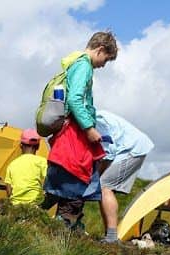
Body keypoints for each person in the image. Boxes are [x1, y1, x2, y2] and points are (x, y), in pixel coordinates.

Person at [43, 31, 118, 230]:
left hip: (69, 135)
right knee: (76, 179)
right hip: (76, 135)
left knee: (67, 182)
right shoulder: (83, 66)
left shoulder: (74, 63)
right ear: (100, 49)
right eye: (106, 59)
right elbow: (76, 99)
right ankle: (63, 229)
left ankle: (59, 224)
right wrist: (89, 128)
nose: (104, 65)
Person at [95, 110, 154, 243]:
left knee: (104, 187)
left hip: (132, 149)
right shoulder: (91, 115)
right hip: (130, 147)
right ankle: (109, 235)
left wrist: (98, 174)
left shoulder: (94, 121)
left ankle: (111, 237)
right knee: (102, 189)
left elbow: (109, 151)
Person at [3, 128, 48, 206]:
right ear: (38, 146)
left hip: (16, 207)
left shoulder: (12, 164)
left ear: (21, 145)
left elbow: (9, 190)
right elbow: (50, 181)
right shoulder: (42, 162)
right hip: (35, 206)